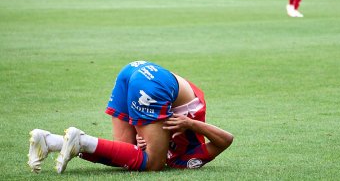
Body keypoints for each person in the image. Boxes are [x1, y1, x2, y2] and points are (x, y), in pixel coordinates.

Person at [27, 60, 233, 173]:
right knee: (153, 164)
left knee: (125, 153)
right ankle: (80, 140)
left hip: (134, 69)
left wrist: (140, 138)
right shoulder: (191, 155)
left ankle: (49, 141)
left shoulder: (176, 161)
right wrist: (191, 124)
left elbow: (145, 139)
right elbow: (226, 139)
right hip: (159, 84)